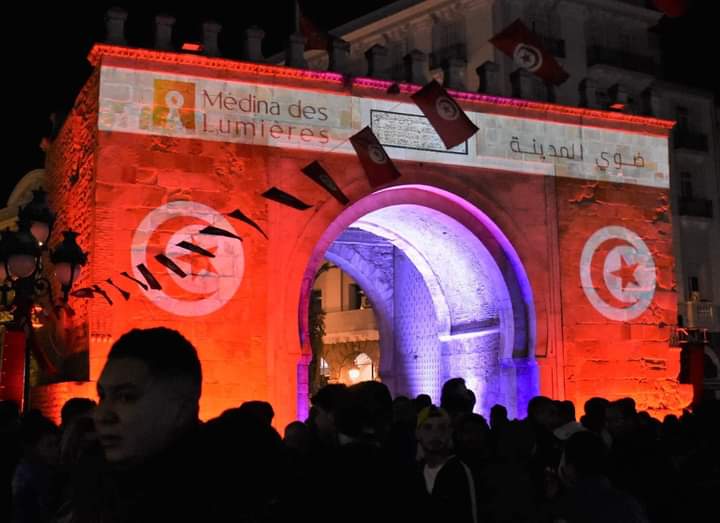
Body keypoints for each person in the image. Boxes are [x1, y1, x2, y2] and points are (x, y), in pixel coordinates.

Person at [67, 327, 211, 522]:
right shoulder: (91, 482)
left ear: (180, 410)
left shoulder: (223, 498)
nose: (101, 415)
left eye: (126, 397)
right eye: (102, 396)